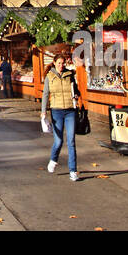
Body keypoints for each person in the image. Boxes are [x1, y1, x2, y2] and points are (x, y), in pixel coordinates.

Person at [40, 51, 80, 181]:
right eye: (59, 63)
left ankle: (73, 171)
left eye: (63, 63)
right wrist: (43, 111)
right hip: (56, 110)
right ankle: (53, 159)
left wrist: (76, 96)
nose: (61, 65)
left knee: (71, 141)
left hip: (70, 110)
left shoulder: (70, 75)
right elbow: (45, 94)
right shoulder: (49, 76)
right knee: (59, 141)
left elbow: (76, 90)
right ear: (54, 63)